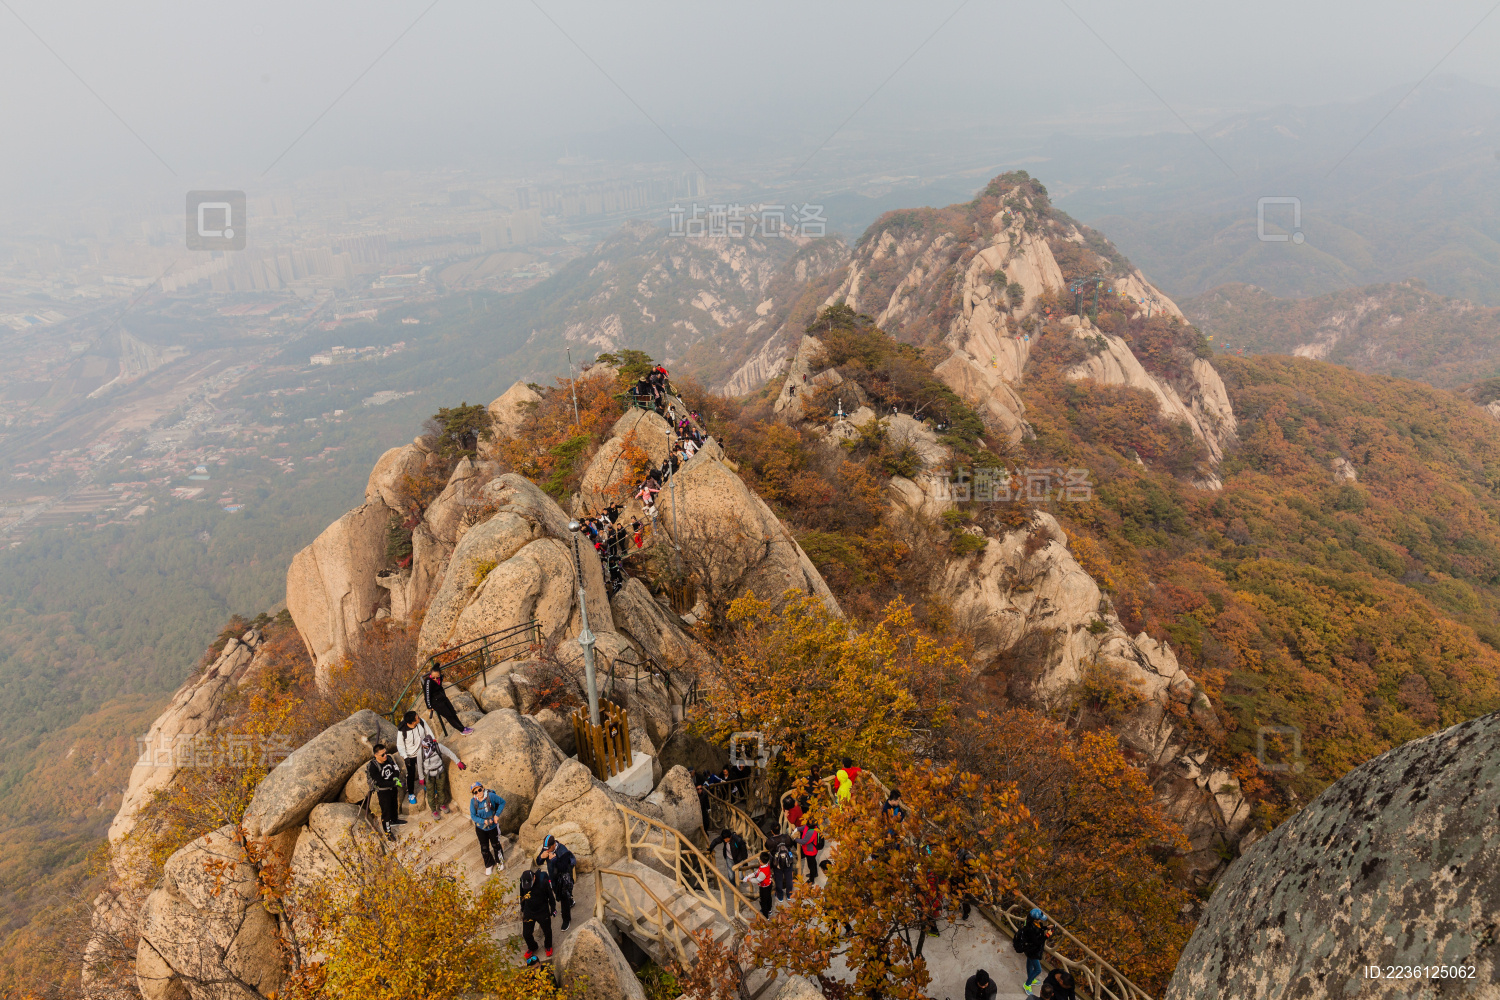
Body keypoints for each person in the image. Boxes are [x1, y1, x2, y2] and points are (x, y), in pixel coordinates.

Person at [535, 834, 576, 930]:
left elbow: (564, 868)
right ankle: (571, 901)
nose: (547, 850)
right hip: (553, 878)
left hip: (564, 878)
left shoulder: (563, 851)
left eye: (548, 848)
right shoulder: (547, 849)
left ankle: (566, 920)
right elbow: (538, 862)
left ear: (554, 844)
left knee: (563, 897)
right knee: (558, 894)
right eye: (545, 848)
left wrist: (554, 860)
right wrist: (541, 856)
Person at [417, 732, 464, 817]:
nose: (423, 747)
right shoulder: (420, 753)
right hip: (429, 775)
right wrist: (421, 777)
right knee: (430, 793)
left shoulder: (437, 746)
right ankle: (433, 810)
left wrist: (458, 762)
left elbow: (449, 752)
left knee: (441, 789)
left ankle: (442, 804)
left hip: (440, 772)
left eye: (425, 746)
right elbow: (419, 765)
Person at [394, 710, 434, 806]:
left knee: (426, 769)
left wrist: (433, 742)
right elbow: (400, 745)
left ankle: (428, 786)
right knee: (411, 775)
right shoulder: (402, 731)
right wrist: (405, 756)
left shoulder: (421, 723)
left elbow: (429, 732)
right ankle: (411, 793)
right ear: (412, 722)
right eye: (417, 717)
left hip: (422, 752)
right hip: (409, 756)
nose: (419, 717)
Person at [366, 744, 404, 840]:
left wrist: (395, 778)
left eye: (386, 753)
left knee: (394, 804)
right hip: (383, 792)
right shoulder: (373, 767)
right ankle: (388, 832)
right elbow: (380, 782)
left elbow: (396, 769)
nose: (385, 756)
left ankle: (394, 820)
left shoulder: (389, 759)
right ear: (376, 755)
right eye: (382, 755)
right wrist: (393, 783)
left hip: (392, 788)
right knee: (386, 811)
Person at [468, 781, 507, 875]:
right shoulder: (473, 802)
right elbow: (473, 816)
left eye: (479, 790)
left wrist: (497, 815)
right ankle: (489, 864)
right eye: (475, 792)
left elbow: (502, 802)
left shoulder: (491, 796)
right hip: (481, 828)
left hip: (493, 827)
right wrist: (484, 821)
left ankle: (500, 861)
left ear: (482, 788)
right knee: (484, 847)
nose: (478, 793)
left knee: (496, 845)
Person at [518, 867, 556, 962]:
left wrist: (553, 908)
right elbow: (522, 895)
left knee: (547, 931)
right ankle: (533, 947)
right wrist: (522, 908)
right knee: (526, 934)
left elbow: (550, 896)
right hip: (529, 911)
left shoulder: (543, 882)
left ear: (534, 878)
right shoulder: (522, 882)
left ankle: (548, 945)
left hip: (542, 911)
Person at [423, 666, 472, 736]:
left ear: (439, 675)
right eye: (433, 677)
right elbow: (427, 695)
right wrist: (429, 707)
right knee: (449, 716)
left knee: (453, 712)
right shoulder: (428, 682)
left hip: (443, 699)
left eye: (437, 677)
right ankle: (461, 730)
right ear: (430, 675)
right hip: (436, 703)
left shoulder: (440, 678)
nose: (435, 679)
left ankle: (463, 728)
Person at [1015, 908, 1053, 994]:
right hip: (1032, 950)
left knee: (1029, 964)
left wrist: (1046, 927)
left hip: (1030, 950)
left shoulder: (1033, 923)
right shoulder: (1029, 929)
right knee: (1038, 970)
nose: (1041, 920)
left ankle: (1031, 978)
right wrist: (1047, 935)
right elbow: (1037, 942)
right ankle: (1027, 984)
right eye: (1040, 919)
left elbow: (1038, 928)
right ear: (1035, 919)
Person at [742, 850, 775, 918]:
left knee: (763, 901)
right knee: (768, 898)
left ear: (760, 860)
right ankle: (769, 910)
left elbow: (758, 880)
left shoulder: (764, 871)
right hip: (768, 884)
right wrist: (751, 875)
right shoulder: (766, 865)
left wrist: (749, 879)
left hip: (764, 887)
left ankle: (765, 916)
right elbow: (758, 871)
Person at [767, 830, 797, 902]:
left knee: (778, 879)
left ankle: (780, 896)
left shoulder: (770, 841)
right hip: (787, 861)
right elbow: (791, 844)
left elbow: (767, 846)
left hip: (777, 863)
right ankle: (789, 894)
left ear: (771, 831)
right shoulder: (786, 837)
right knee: (789, 878)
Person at [797, 819, 821, 883]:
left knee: (811, 865)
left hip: (810, 851)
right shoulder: (811, 827)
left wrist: (795, 839)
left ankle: (811, 879)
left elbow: (804, 841)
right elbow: (802, 828)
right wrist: (796, 829)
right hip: (812, 850)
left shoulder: (812, 832)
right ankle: (815, 873)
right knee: (813, 862)